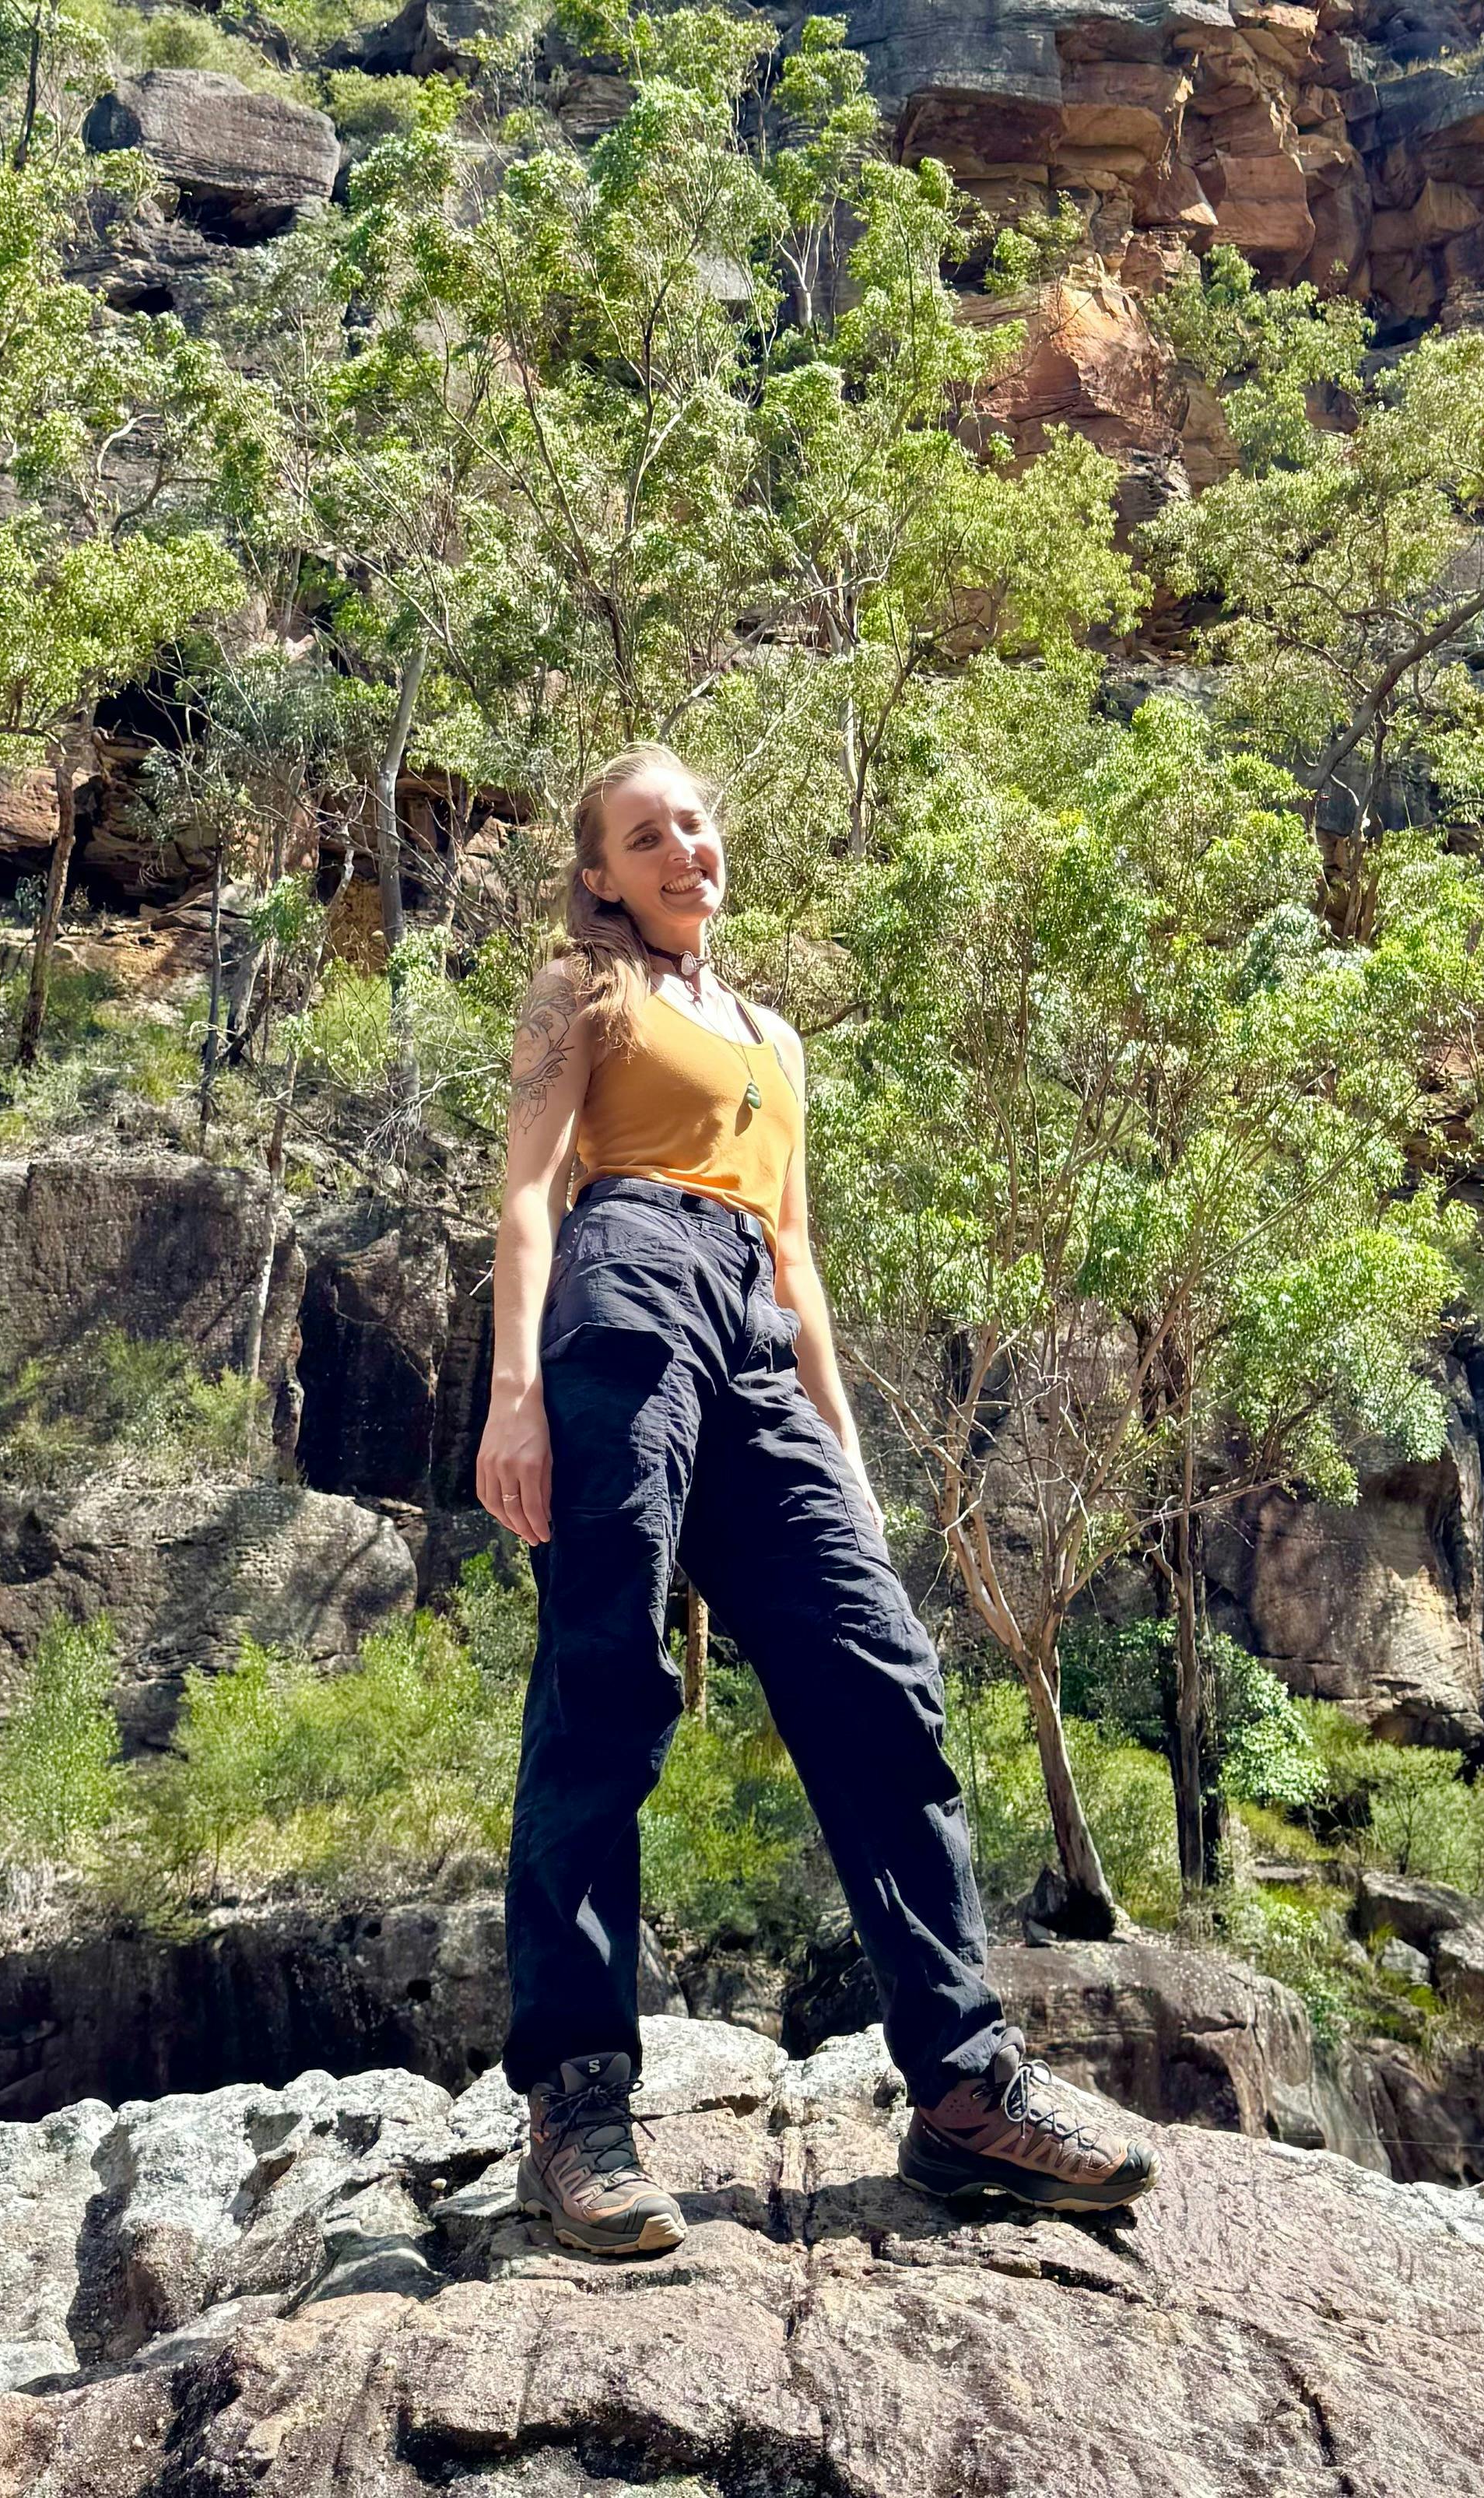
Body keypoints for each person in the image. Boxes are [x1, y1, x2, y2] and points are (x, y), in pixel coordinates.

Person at [475, 743, 1159, 2256]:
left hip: (759, 1343)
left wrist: (841, 1452)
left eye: (695, 824)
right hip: (625, 1292)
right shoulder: (581, 987)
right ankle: (578, 2107)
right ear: (599, 872)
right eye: (644, 836)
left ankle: (965, 2095)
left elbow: (796, 1259)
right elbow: (529, 1189)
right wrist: (515, 1394)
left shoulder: (774, 1035)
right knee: (604, 1680)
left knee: (881, 1676)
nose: (681, 850)